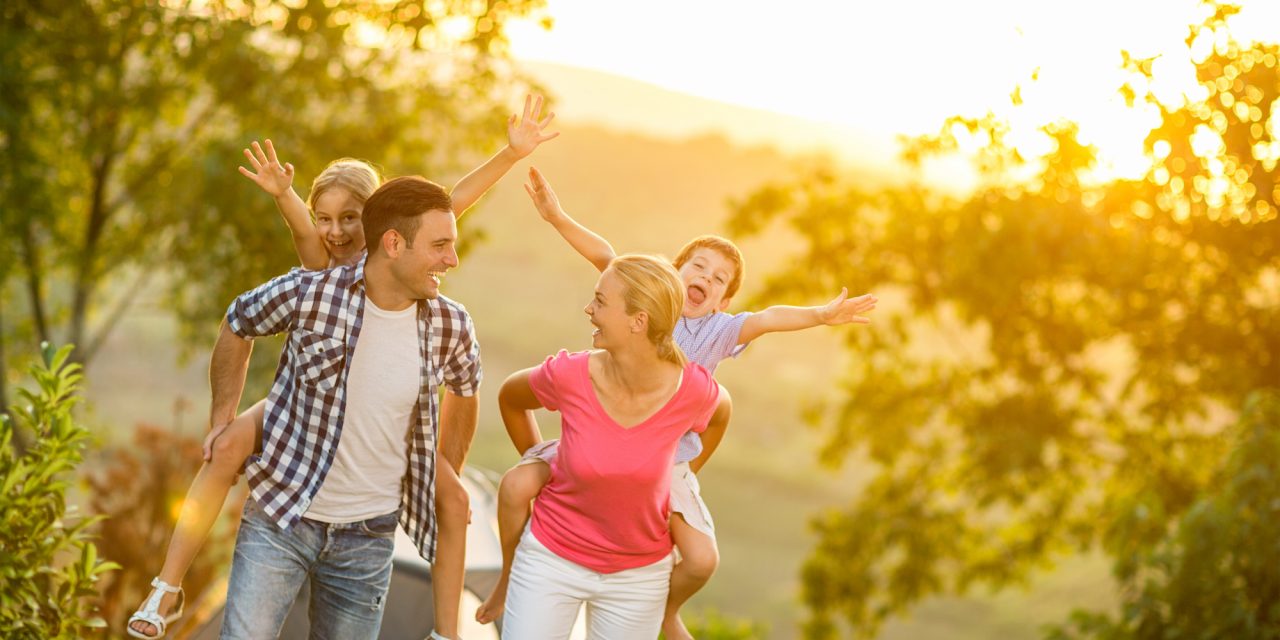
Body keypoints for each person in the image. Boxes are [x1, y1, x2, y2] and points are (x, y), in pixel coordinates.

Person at [126, 96, 557, 640]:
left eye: (350, 218)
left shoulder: (428, 293)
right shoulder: (318, 281)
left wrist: (509, 155)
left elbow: (449, 202)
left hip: (366, 530)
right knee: (227, 445)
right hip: (297, 427)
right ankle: (167, 586)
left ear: (381, 228)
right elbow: (259, 293)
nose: (336, 232)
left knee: (454, 497)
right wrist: (222, 414)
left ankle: (446, 632)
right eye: (326, 218)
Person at [477, 167, 877, 638]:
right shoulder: (649, 307)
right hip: (601, 437)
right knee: (517, 485)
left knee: (702, 557)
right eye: (698, 267)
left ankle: (665, 612)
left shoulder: (721, 332)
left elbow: (768, 319)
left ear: (724, 301)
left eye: (719, 278)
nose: (705, 278)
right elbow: (605, 255)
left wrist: (821, 315)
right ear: (673, 273)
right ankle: (507, 578)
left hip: (667, 458)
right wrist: (557, 216)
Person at [498, 254, 730, 638]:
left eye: (601, 302)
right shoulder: (569, 374)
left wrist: (685, 470)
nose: (589, 310)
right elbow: (511, 398)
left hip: (638, 581)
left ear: (638, 322)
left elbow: (721, 413)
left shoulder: (692, 389)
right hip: (550, 560)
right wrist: (546, 463)